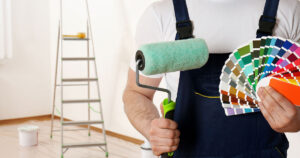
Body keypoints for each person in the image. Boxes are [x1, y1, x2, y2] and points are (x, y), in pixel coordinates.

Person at [123, 0, 300, 157]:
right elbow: (136, 93)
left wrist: (295, 121)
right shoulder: (161, 14)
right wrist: (150, 127)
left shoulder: (290, 10)